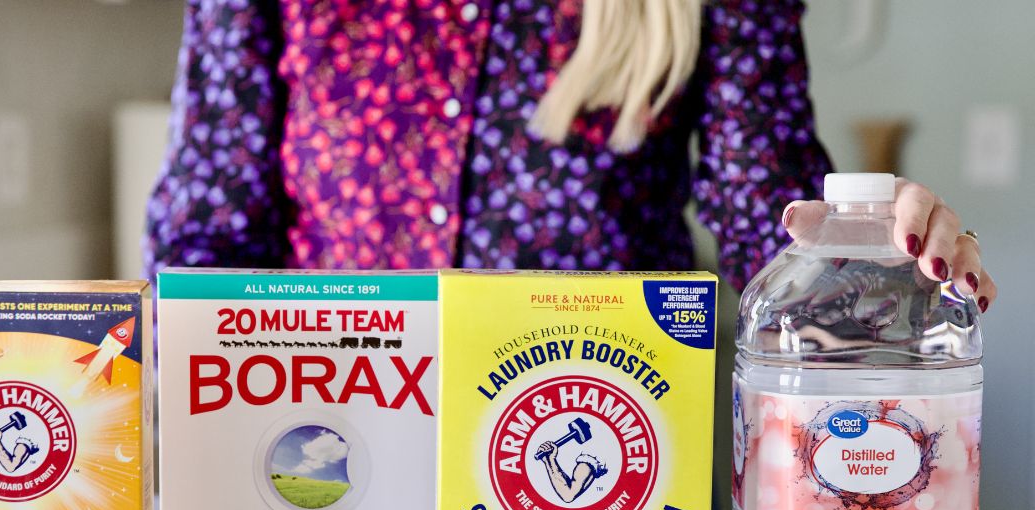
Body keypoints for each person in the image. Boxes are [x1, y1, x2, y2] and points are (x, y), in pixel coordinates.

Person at [145, 0, 995, 311]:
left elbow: (771, 220)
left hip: (602, 485)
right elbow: (205, 239)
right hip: (337, 468)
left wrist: (876, 250)